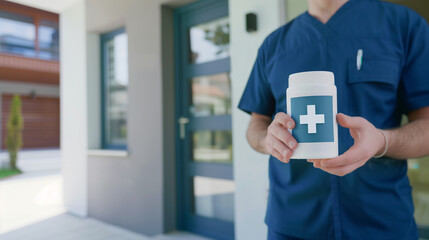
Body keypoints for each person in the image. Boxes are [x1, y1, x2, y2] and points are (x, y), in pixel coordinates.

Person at [238, 0, 429, 239]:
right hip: (292, 223)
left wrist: (382, 141)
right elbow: (256, 125)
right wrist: (268, 140)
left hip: (381, 221)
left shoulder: (404, 26)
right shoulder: (273, 45)